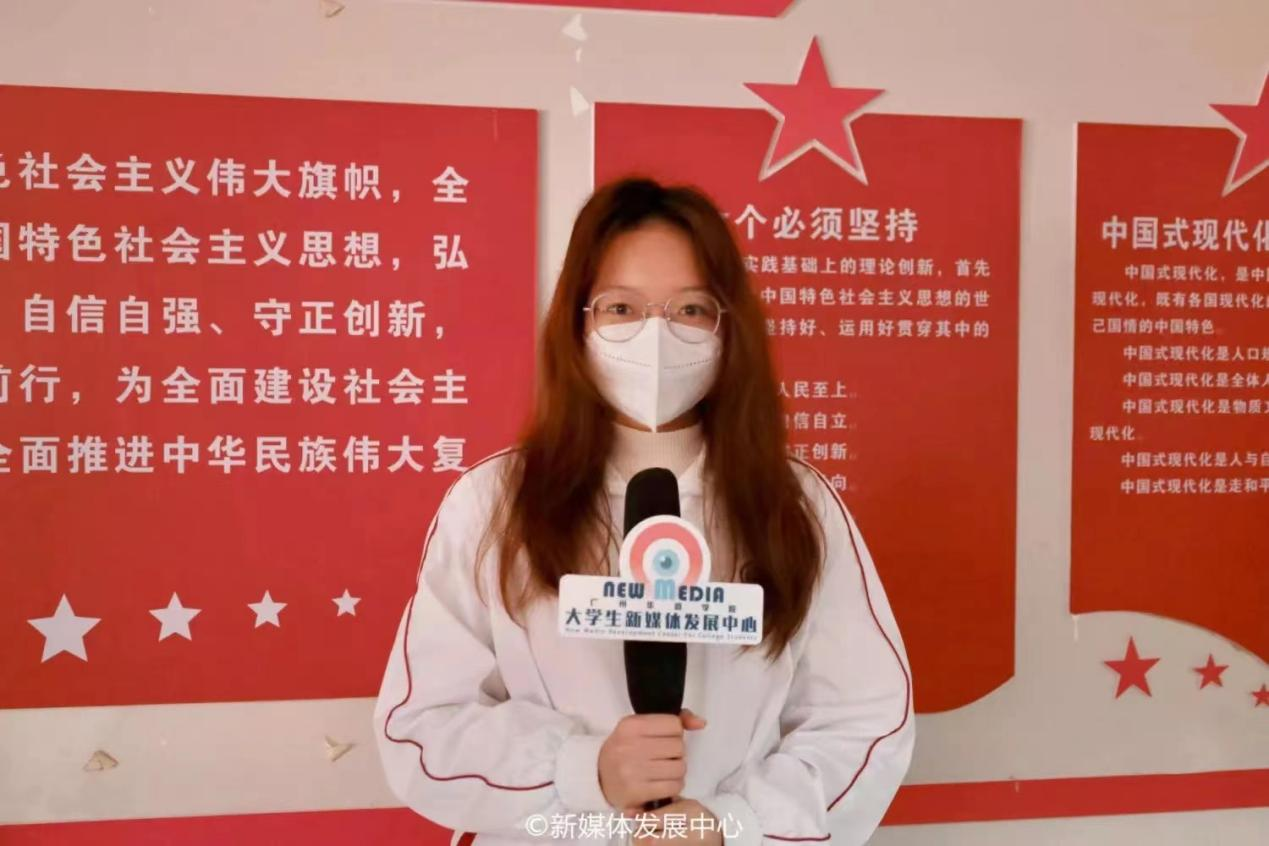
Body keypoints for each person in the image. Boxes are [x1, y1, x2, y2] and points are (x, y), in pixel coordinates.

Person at [374, 177, 914, 846]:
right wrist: (585, 769)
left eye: (690, 309)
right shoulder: (495, 503)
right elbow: (422, 726)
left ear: (729, 325)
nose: (656, 335)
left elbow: (865, 720)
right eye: (622, 307)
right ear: (578, 322)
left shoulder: (794, 504)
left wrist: (733, 824)